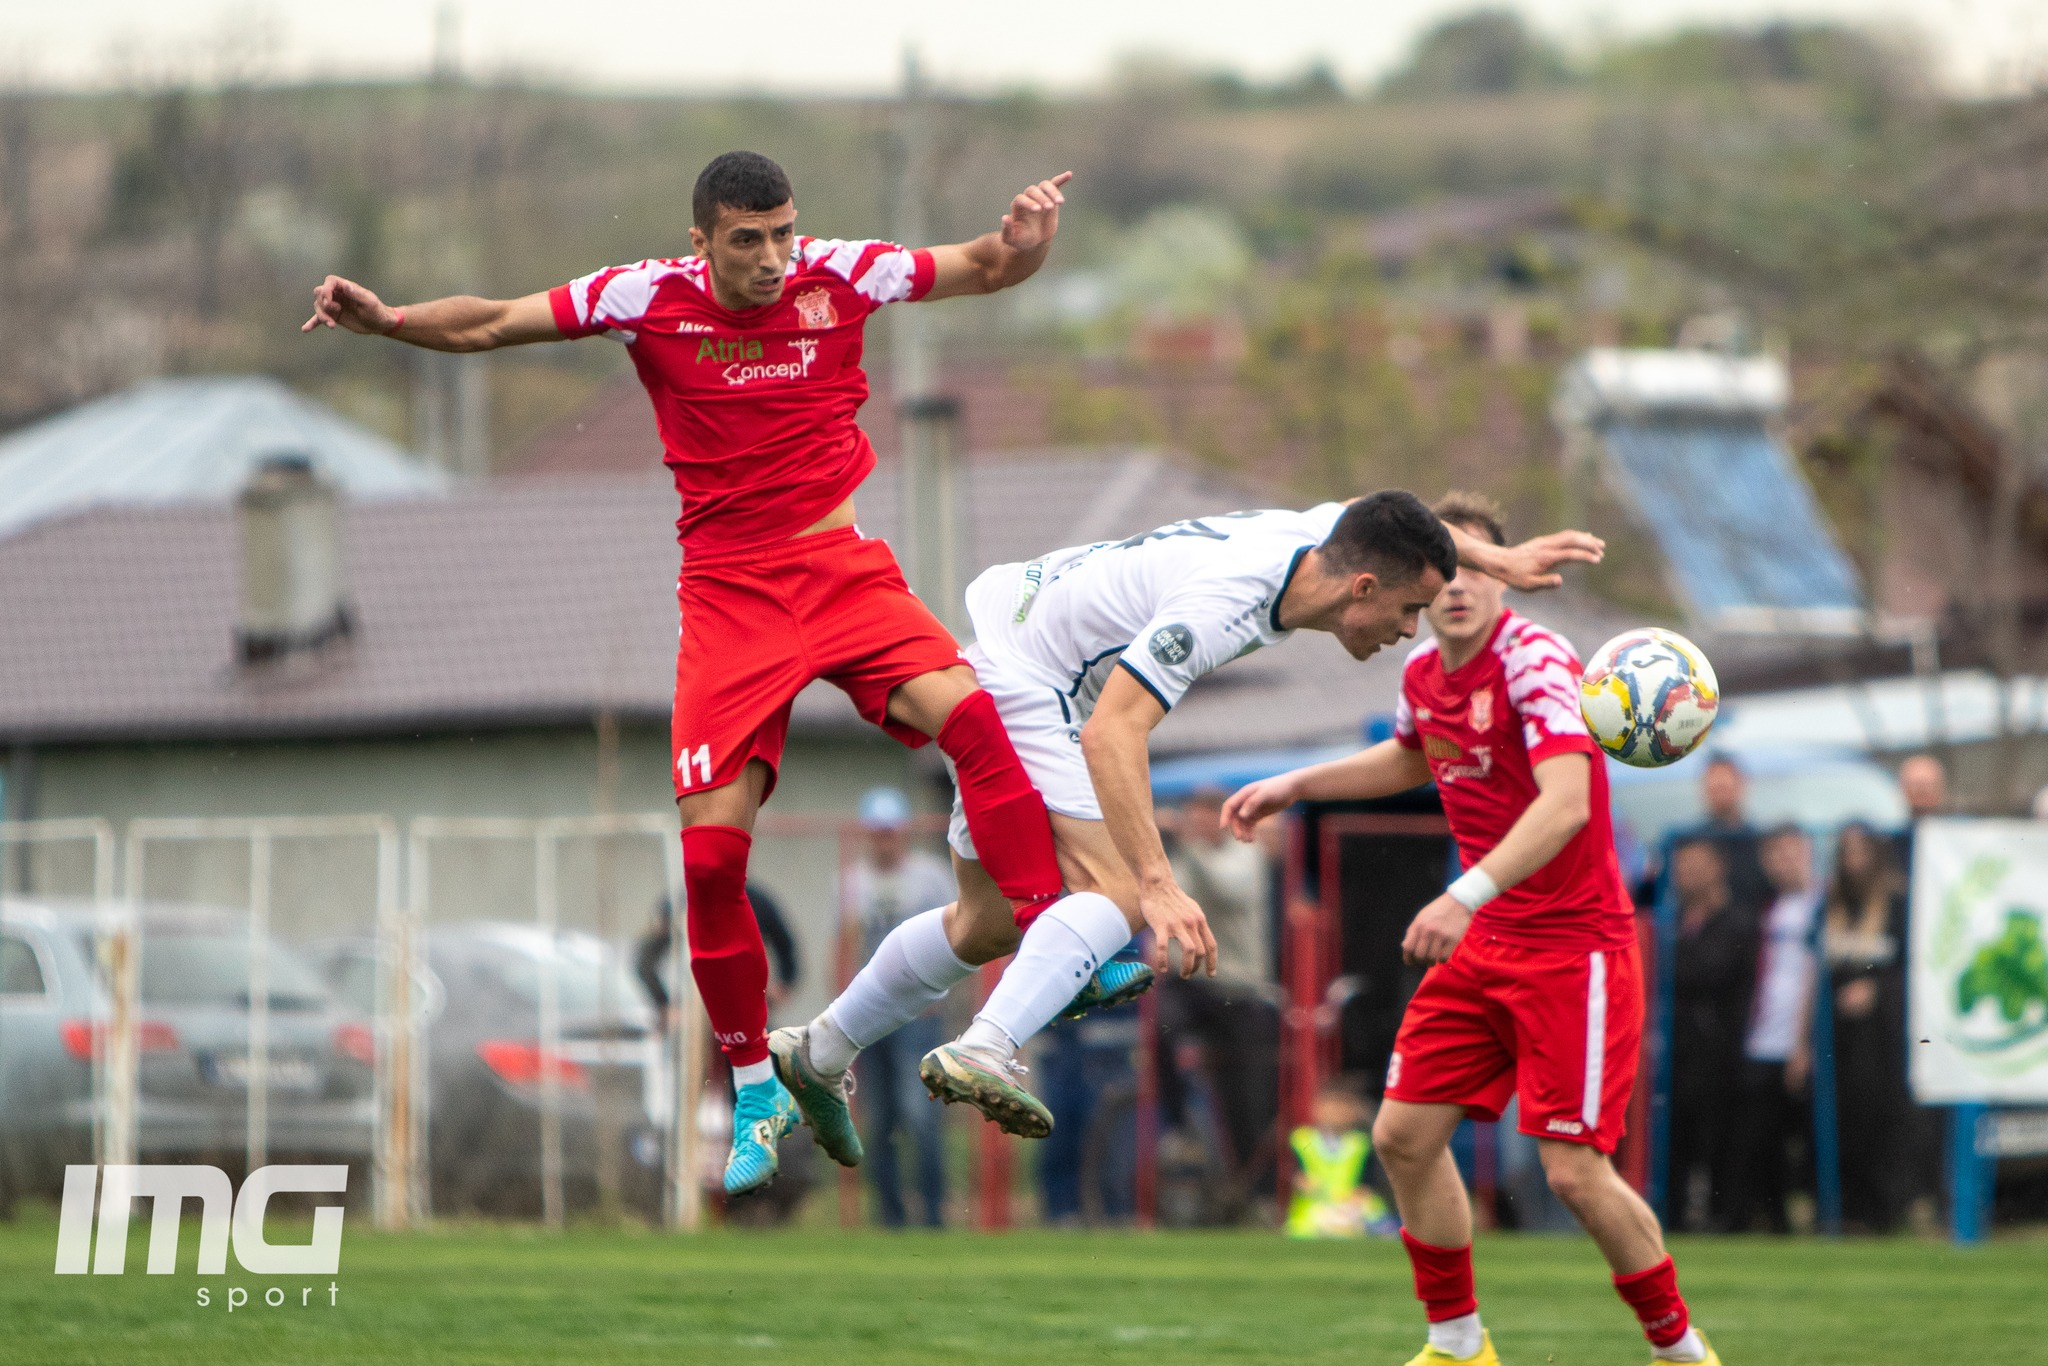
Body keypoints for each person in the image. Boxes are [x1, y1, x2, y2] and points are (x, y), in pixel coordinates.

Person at [305, 151, 1114, 1196]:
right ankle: (754, 1083)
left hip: (840, 570)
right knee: (708, 864)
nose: (774, 258)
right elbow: (493, 322)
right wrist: (391, 320)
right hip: (730, 600)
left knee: (972, 719)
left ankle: (1051, 938)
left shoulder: (844, 274)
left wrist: (1025, 242)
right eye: (747, 240)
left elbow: (982, 266)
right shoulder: (644, 296)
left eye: (783, 232)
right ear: (701, 241)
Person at [769, 492, 1603, 1157]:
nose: (1410, 630)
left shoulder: (1325, 539)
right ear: (1364, 588)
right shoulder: (1227, 603)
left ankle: (819, 1050)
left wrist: (1500, 558)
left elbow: (1387, 507)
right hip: (1035, 680)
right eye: (1411, 609)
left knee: (985, 922)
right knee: (1122, 891)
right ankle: (986, 1047)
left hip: (1020, 642)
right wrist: (1161, 887)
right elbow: (1113, 732)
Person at [1221, 491, 1719, 1365]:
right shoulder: (1421, 675)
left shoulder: (1536, 661)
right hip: (1492, 946)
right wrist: (1297, 784)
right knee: (1402, 1137)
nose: (1454, 588)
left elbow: (1566, 805)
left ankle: (1681, 1352)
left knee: (1572, 1171)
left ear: (1501, 582)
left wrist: (1464, 895)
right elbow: (1411, 756)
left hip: (1575, 948)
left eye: (1473, 570)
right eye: (1441, 573)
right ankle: (1458, 1346)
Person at [1158, 785, 1281, 1212]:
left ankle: (1257, 1193)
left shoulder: (1245, 853)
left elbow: (1229, 892)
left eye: (1204, 816)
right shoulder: (1179, 858)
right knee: (1159, 1027)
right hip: (1194, 984)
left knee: (1250, 1097)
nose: (1196, 825)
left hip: (1240, 990)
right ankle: (1176, 1128)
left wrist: (1187, 846)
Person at [842, 787, 956, 1228]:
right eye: (878, 832)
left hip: (920, 1012)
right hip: (873, 1015)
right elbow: (846, 944)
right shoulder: (853, 881)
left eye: (890, 832)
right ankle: (890, 1217)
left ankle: (933, 1215)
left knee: (921, 1116)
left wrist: (945, 992)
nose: (884, 840)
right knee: (882, 1118)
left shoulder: (930, 876)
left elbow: (956, 934)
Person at [1723, 823, 1820, 1235]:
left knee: (1807, 1136)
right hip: (1762, 1039)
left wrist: (1804, 1042)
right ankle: (1772, 1218)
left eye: (1791, 852)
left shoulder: (1822, 906)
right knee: (1760, 1137)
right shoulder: (1766, 909)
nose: (1784, 862)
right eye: (1776, 854)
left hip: (1801, 1042)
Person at [1664, 839, 1757, 1233]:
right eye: (1681, 865)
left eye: (1696, 864)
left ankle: (1722, 1218)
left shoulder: (1737, 921)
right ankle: (1674, 1216)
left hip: (1721, 1049)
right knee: (1676, 1133)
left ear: (1718, 867)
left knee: (1717, 1134)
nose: (1686, 873)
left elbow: (1709, 972)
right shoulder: (1676, 918)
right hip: (1679, 1048)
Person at [1825, 821, 1914, 1232]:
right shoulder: (1832, 907)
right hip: (1840, 1036)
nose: (1853, 861)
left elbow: (1909, 967)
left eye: (1861, 851)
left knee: (1882, 1116)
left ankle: (1885, 1209)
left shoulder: (1896, 904)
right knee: (1846, 1117)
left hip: (1882, 1037)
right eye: (1847, 852)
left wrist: (1876, 990)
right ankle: (1849, 1206)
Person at [1286, 1079, 1393, 1239]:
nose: (1336, 1113)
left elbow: (1369, 1182)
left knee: (1370, 1218)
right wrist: (1303, 1182)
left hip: (1351, 1205)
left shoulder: (1361, 1143)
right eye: (1330, 1106)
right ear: (1317, 1108)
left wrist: (1353, 1201)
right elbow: (1294, 1174)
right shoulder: (1302, 1139)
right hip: (1315, 1208)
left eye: (1343, 1107)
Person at [1685, 755, 1771, 927]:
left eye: (1725, 785)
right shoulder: (1687, 843)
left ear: (1742, 785)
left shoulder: (1762, 842)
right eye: (1714, 786)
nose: (1720, 791)